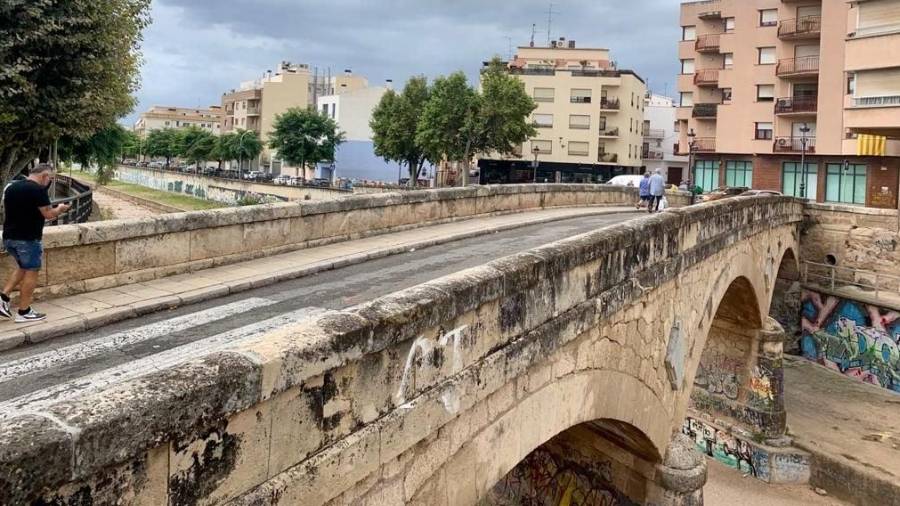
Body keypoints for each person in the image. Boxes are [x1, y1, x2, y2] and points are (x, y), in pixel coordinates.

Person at [1, 163, 70, 322]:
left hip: (10, 237)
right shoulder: (38, 190)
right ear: (44, 176)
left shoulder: (12, 188)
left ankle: (3, 298)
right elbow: (48, 214)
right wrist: (60, 209)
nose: (50, 182)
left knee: (23, 267)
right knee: (32, 271)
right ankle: (24, 312)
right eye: (50, 178)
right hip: (28, 238)